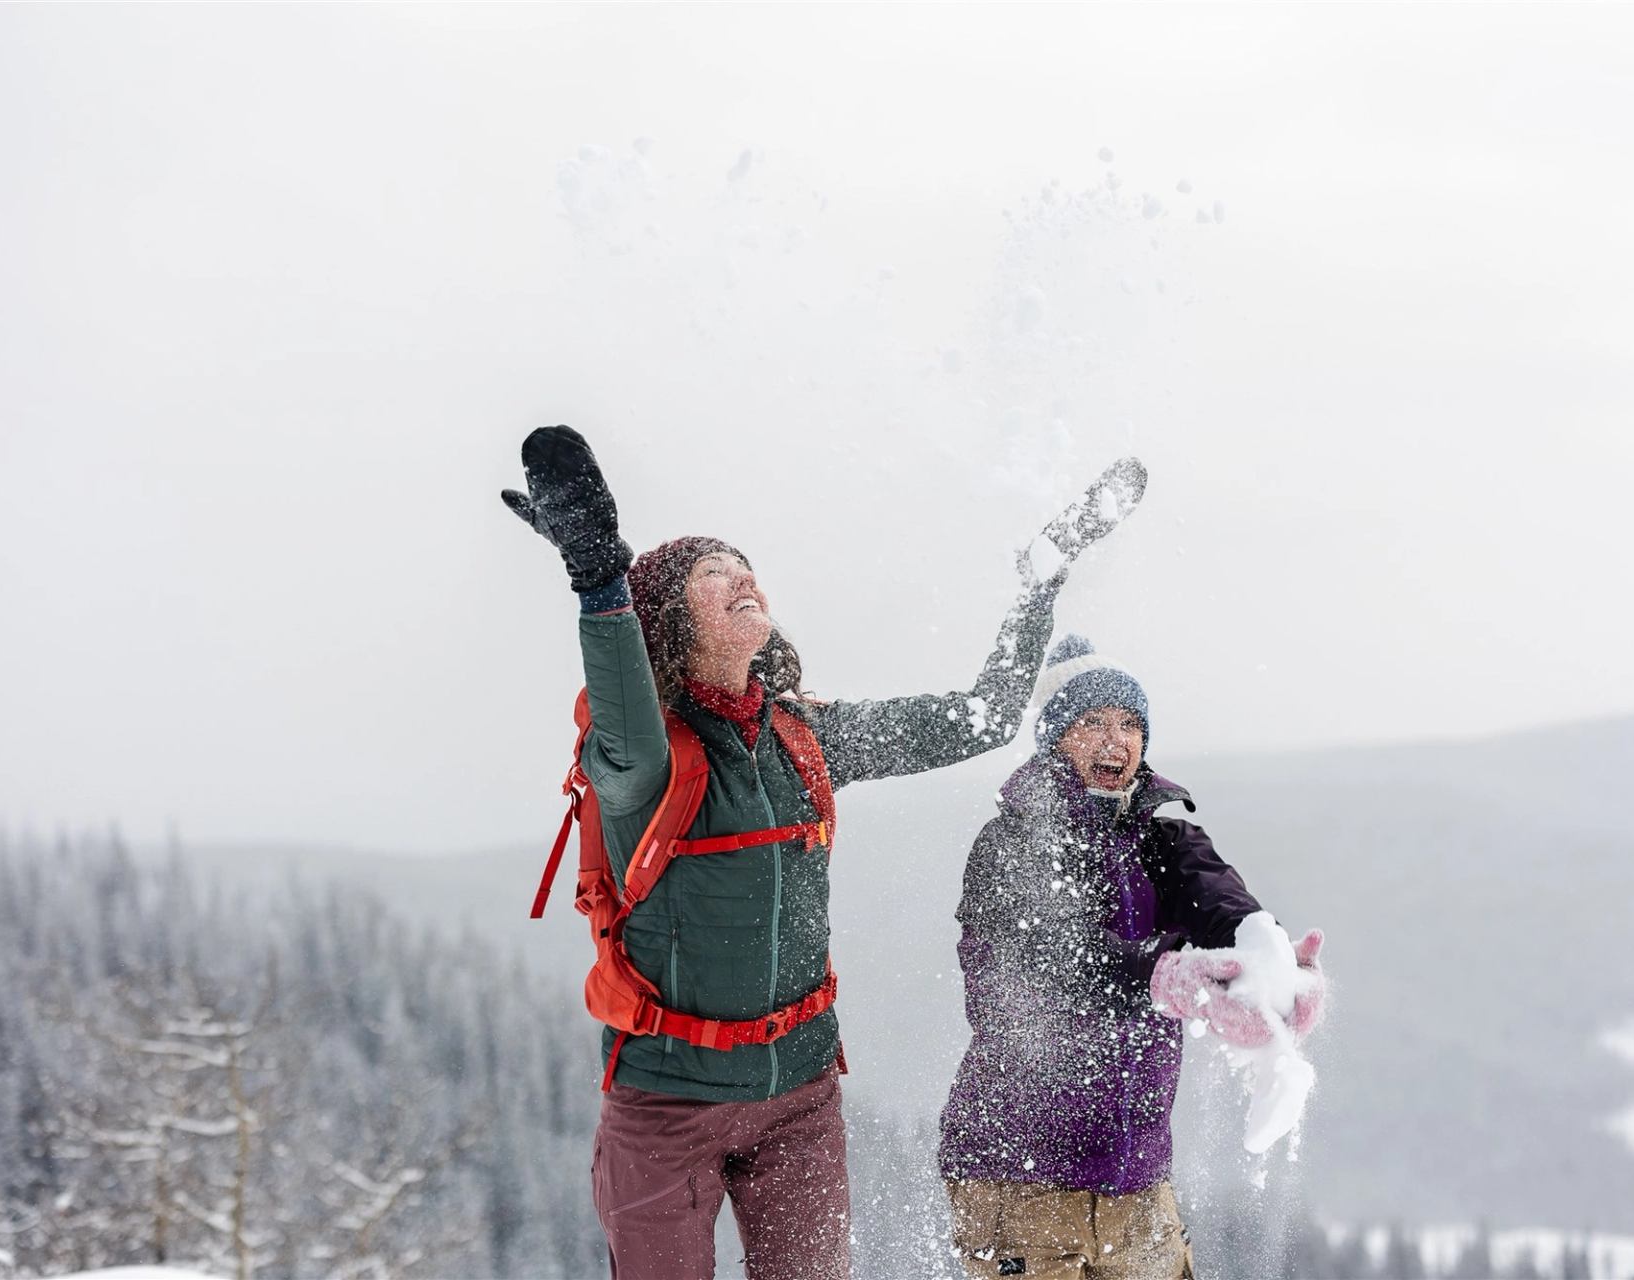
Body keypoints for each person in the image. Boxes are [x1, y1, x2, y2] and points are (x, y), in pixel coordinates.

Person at [501, 427, 1141, 1280]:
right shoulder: (645, 760)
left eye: (744, 564)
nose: (741, 577)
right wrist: (599, 583)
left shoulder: (807, 735)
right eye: (710, 572)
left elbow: (985, 716)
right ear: (667, 620)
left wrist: (1043, 578)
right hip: (665, 1102)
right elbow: (620, 705)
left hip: (799, 1097)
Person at [936, 635, 1328, 1280]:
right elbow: (1043, 961)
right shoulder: (1010, 844)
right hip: (1019, 1172)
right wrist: (1162, 973)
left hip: (1137, 1172)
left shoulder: (1163, 838)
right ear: (1056, 738)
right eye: (1091, 723)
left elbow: (1222, 901)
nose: (1114, 739)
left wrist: (1272, 970)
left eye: (1129, 724)